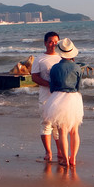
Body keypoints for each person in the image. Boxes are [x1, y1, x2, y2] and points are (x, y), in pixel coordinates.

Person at [44, 38, 84, 168]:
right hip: (73, 98)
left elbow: (52, 87)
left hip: (58, 97)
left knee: (62, 131)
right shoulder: (77, 68)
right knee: (74, 131)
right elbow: (78, 87)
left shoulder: (54, 68)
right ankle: (74, 158)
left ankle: (65, 159)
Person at [30, 31, 63, 162]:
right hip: (45, 97)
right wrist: (50, 85)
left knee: (59, 125)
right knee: (46, 124)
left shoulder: (62, 57)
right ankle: (48, 152)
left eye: (56, 42)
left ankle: (60, 151)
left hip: (60, 97)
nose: (53, 44)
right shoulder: (39, 59)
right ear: (45, 43)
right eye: (50, 41)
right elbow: (34, 77)